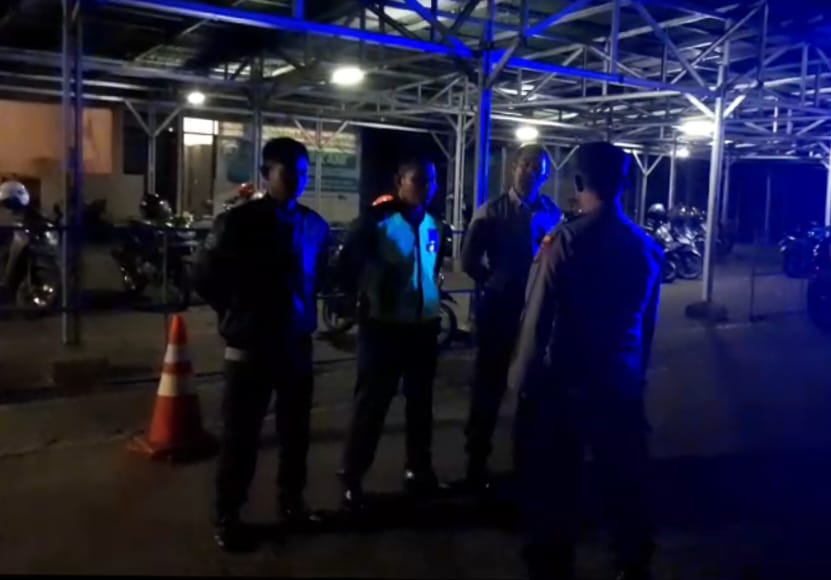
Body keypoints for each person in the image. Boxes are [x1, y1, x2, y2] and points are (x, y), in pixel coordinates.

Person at [509, 142, 663, 580]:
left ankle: (552, 565)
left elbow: (537, 320)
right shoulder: (646, 248)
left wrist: (522, 383)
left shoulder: (564, 242)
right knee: (623, 484)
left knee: (556, 487)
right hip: (621, 386)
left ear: (578, 182)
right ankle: (631, 563)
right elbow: (647, 330)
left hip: (567, 387)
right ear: (625, 184)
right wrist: (635, 381)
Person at [192, 137, 331, 551]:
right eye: (289, 173)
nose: (298, 181)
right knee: (241, 437)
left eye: (303, 173)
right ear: (266, 173)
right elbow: (203, 277)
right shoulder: (237, 223)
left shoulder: (314, 226)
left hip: (296, 344)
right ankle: (228, 515)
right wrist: (235, 313)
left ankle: (292, 504)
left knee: (295, 435)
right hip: (250, 347)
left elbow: (319, 278)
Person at [337, 158, 444, 511]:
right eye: (419, 180)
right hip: (383, 328)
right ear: (400, 181)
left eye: (432, 180)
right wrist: (366, 297)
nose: (427, 187)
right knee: (372, 406)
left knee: (420, 406)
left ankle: (418, 470)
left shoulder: (434, 224)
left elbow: (432, 269)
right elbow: (346, 268)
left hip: (423, 327)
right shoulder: (376, 221)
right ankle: (352, 477)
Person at [458, 144, 562, 491]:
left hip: (537, 310)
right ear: (513, 168)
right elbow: (469, 260)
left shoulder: (551, 212)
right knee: (488, 386)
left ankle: (525, 462)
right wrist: (494, 284)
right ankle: (476, 462)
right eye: (525, 164)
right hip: (499, 312)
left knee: (532, 386)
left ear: (546, 175)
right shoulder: (491, 211)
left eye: (538, 167)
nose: (531, 171)